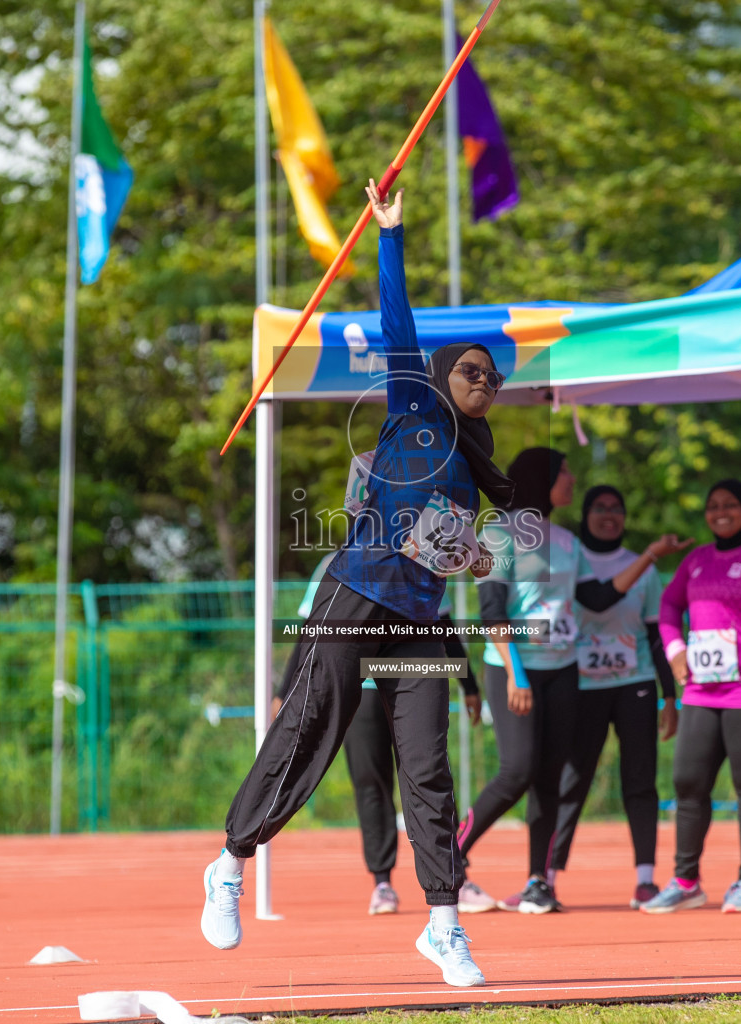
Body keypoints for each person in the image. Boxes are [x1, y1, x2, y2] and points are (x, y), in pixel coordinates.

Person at [202, 182, 509, 989]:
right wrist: (392, 236)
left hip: (420, 626)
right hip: (355, 595)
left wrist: (475, 558)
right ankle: (231, 863)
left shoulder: (476, 470)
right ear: (444, 376)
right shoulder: (411, 403)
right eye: (475, 369)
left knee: (429, 770)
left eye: (496, 378)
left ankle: (444, 926)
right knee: (308, 731)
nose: (487, 379)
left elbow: (458, 551)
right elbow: (397, 320)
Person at [272, 551, 482, 916]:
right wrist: (284, 690)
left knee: (429, 773)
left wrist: (470, 684)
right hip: (361, 686)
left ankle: (453, 874)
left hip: (410, 680)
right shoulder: (333, 564)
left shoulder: (426, 559)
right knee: (371, 782)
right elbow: (313, 629)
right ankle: (382, 882)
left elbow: (442, 625)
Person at [641, 479, 741, 914]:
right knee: (688, 783)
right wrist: (675, 650)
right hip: (701, 692)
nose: (720, 512)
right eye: (713, 506)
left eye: (730, 505)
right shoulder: (697, 561)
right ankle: (686, 880)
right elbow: (669, 608)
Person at [547, 485, 691, 909]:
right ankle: (546, 878)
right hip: (582, 686)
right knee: (571, 782)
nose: (609, 515)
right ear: (586, 513)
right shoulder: (571, 560)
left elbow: (653, 631)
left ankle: (645, 880)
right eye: (600, 508)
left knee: (640, 782)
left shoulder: (641, 569)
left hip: (635, 685)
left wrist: (669, 698)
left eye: (616, 508)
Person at [458, 448, 581, 916]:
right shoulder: (498, 533)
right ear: (541, 477)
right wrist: (517, 675)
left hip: (564, 670)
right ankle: (450, 852)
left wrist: (648, 558)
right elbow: (492, 612)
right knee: (517, 771)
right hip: (513, 669)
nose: (571, 479)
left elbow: (593, 593)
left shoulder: (568, 541)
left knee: (550, 777)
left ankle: (538, 881)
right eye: (565, 470)